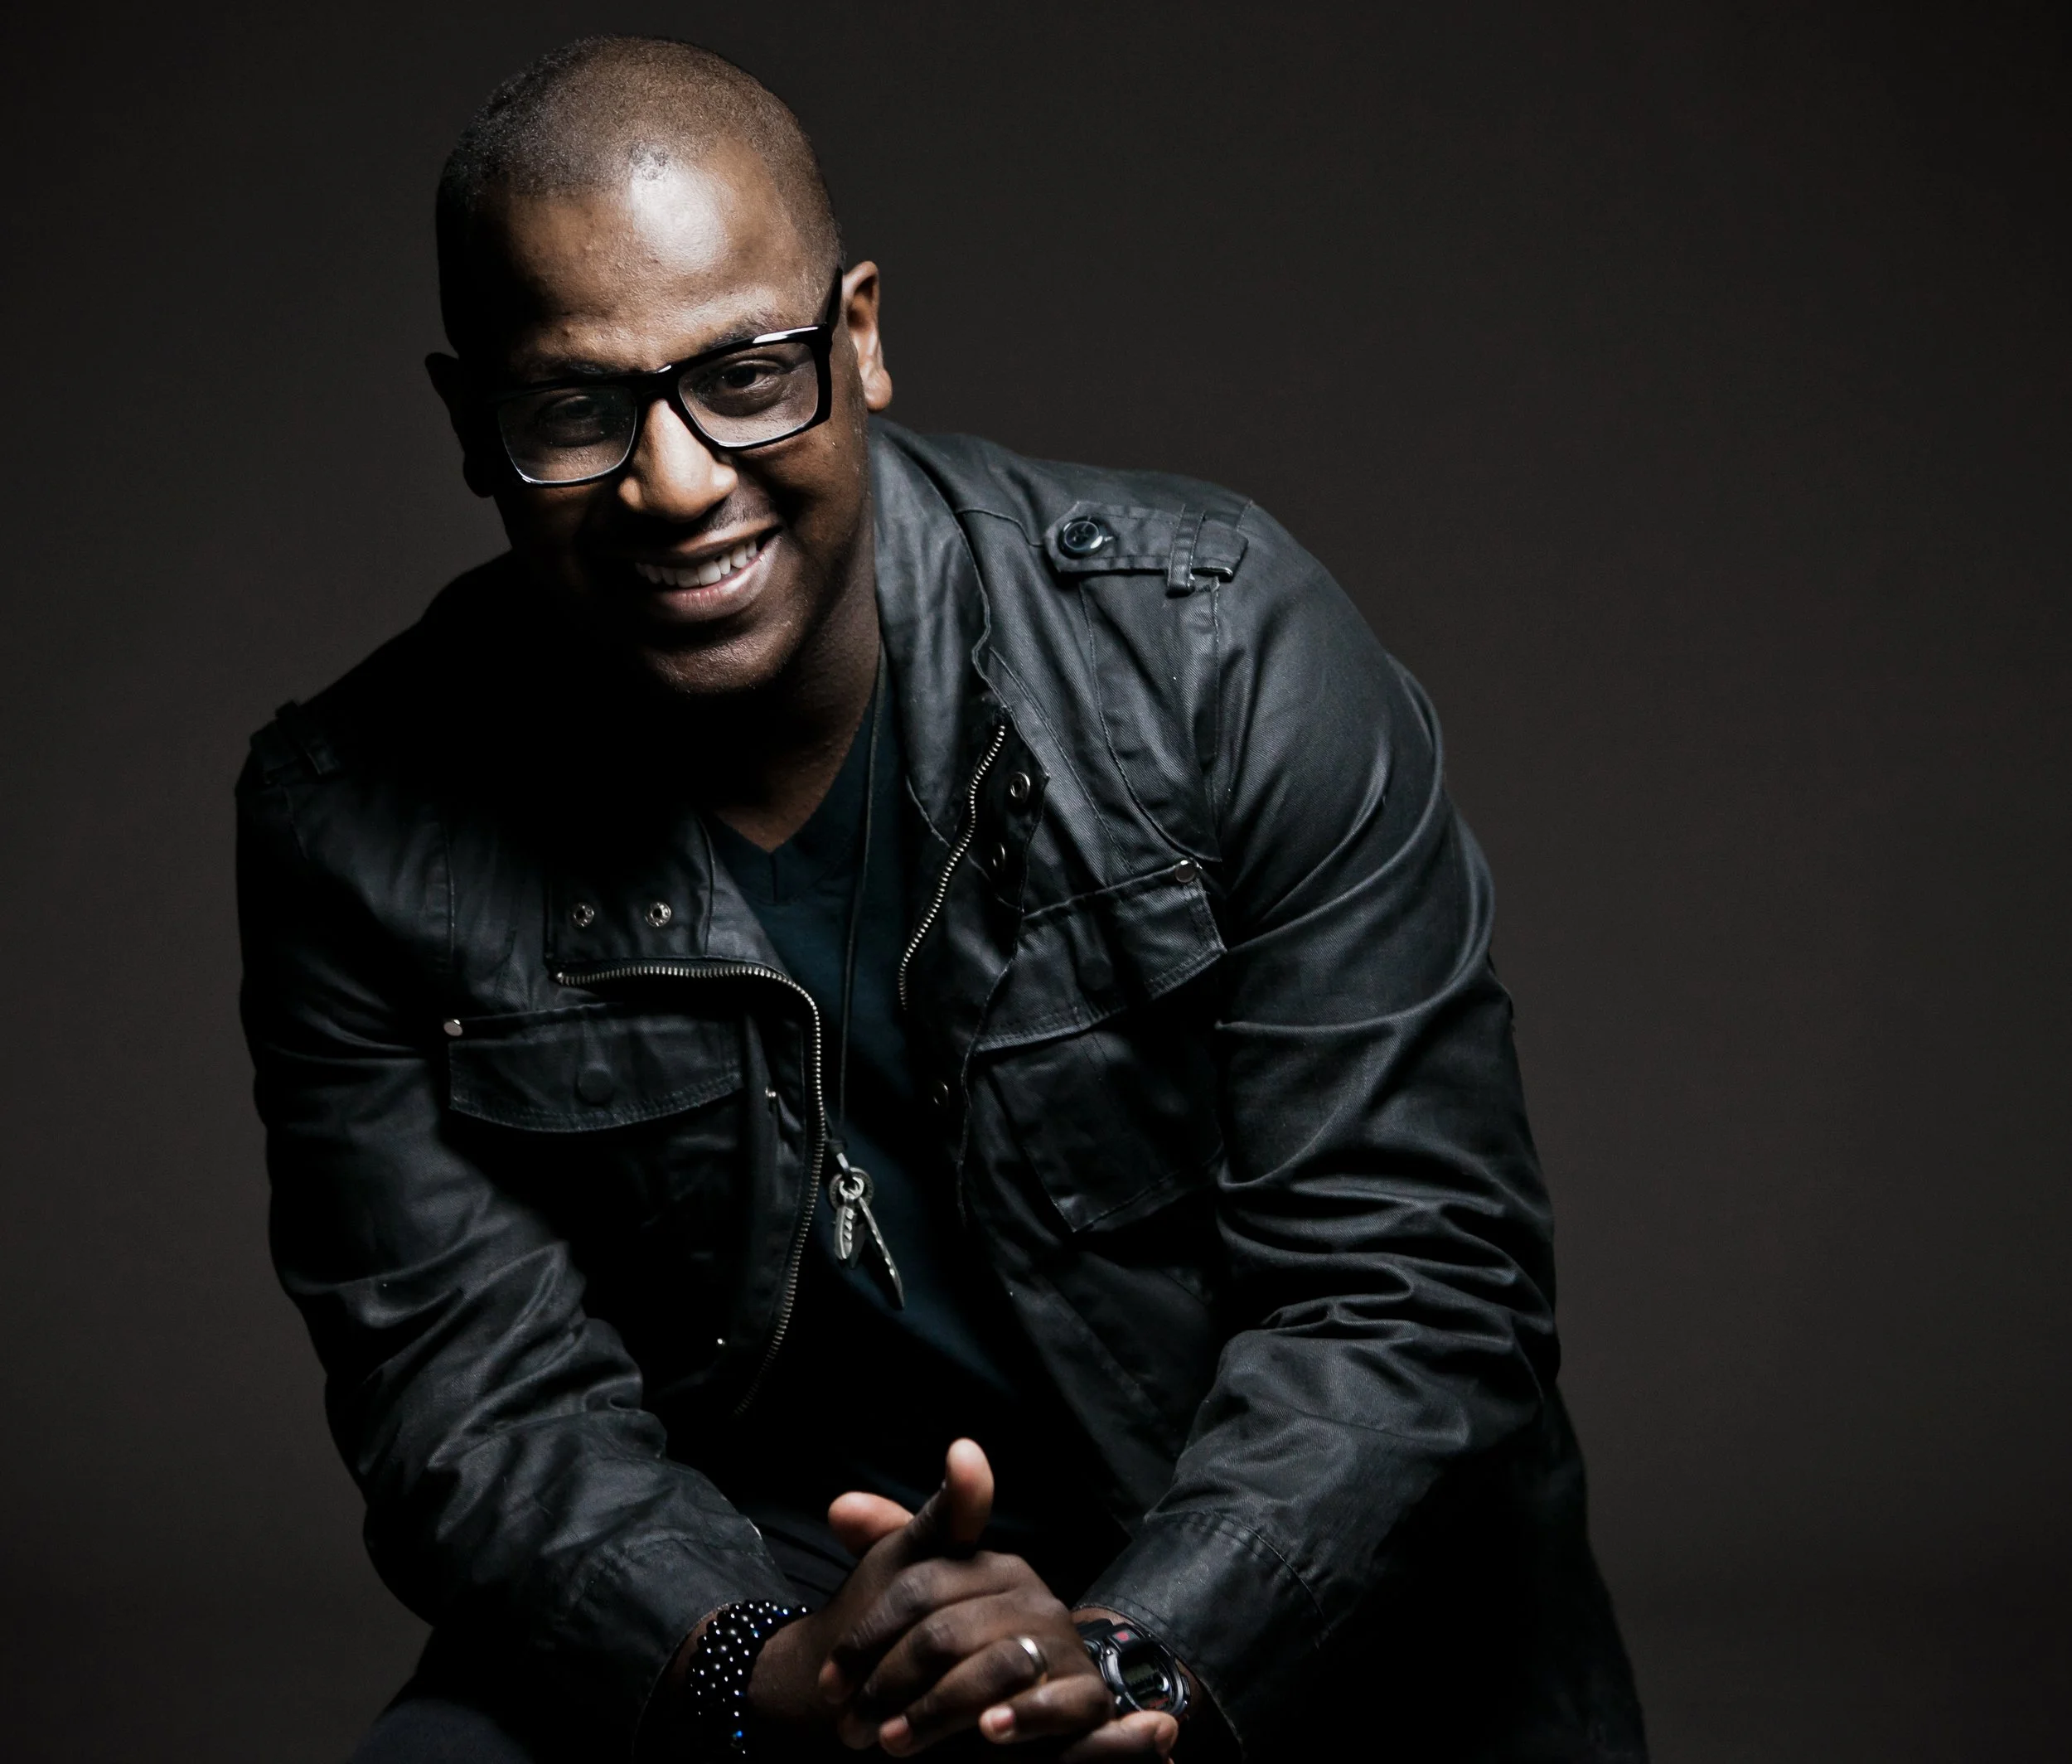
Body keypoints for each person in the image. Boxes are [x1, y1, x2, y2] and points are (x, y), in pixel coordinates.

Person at [235, 33, 1645, 1764]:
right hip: (770, 1595)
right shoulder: (356, 819)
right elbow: (471, 1398)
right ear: (474, 426)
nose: (676, 480)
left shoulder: (1219, 654)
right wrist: (775, 1668)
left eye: (748, 375)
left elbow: (1415, 1287)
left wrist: (1132, 1651)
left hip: (1270, 1595)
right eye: (574, 409)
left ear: (863, 335)